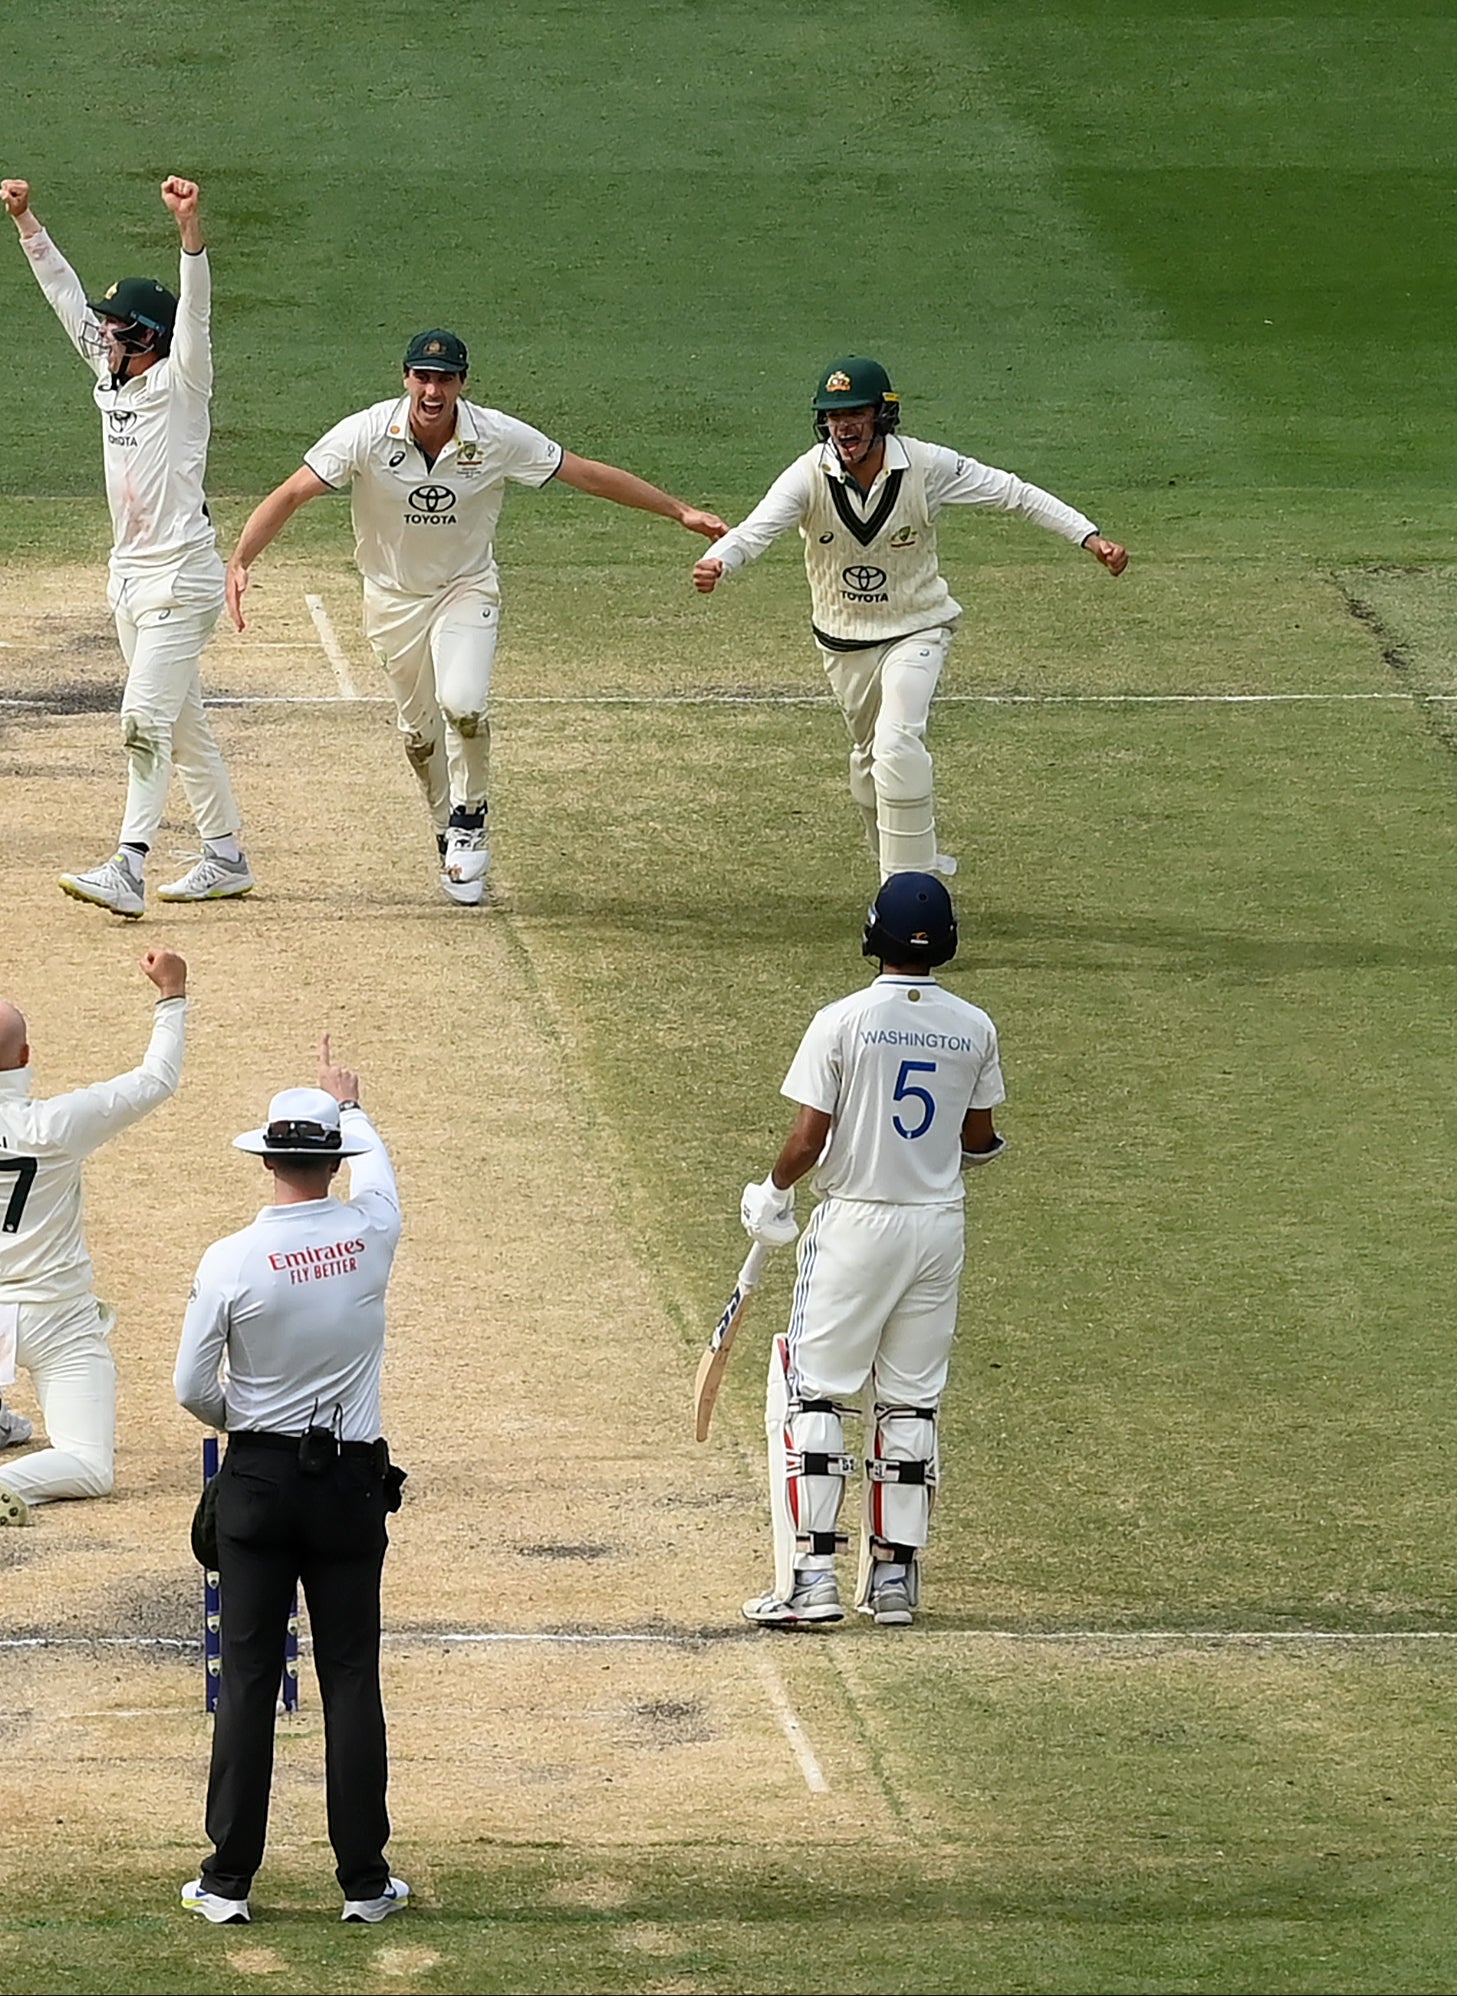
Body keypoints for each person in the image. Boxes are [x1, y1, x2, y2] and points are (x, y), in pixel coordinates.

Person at [226, 331, 726, 904]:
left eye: (444, 379)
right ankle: (446, 829)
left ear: (462, 383)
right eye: (423, 377)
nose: (432, 390)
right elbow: (292, 493)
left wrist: (680, 511)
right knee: (418, 737)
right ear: (406, 378)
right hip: (391, 599)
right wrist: (241, 559)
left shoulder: (495, 436)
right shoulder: (365, 433)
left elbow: (585, 473)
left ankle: (469, 819)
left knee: (463, 704)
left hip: (465, 588)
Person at [694, 357, 1129, 878]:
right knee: (869, 758)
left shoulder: (926, 466)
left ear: (882, 415)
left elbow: (1013, 493)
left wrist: (1089, 536)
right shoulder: (808, 474)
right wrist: (722, 560)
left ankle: (910, 885)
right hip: (843, 640)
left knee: (899, 740)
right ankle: (900, 864)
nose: (844, 427)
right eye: (834, 416)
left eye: (855, 413)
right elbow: (757, 528)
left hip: (917, 626)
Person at [174, 1040, 409, 1925]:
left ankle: (227, 1881)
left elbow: (192, 1387)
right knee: (351, 1677)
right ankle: (364, 1883)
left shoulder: (230, 1260)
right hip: (349, 1482)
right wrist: (354, 1105)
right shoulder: (369, 1232)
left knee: (244, 1679)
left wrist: (248, 1423)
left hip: (260, 1478)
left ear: (269, 1159)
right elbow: (381, 1179)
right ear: (331, 1160)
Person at [739, 871, 1005, 1627]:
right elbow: (977, 1139)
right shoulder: (973, 1025)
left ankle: (813, 1581)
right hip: (937, 1226)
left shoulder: (841, 1021)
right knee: (909, 1400)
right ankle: (892, 1584)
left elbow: (806, 1138)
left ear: (872, 933)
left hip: (857, 1222)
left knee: (816, 1393)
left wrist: (774, 1191)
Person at [1, 174, 252, 917]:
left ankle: (128, 866)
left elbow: (197, 314)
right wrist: (26, 223)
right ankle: (225, 856)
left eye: (117, 326)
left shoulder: (181, 381)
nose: (103, 332)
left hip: (182, 580)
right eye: (106, 326)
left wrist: (190, 229)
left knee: (141, 720)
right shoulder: (111, 379)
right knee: (181, 727)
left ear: (147, 338)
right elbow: (62, 297)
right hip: (129, 582)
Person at [0, 921, 187, 1525]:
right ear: (27, 1057)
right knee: (90, 1464)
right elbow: (154, 1080)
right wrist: (172, 996)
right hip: (54, 1321)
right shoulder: (53, 1126)